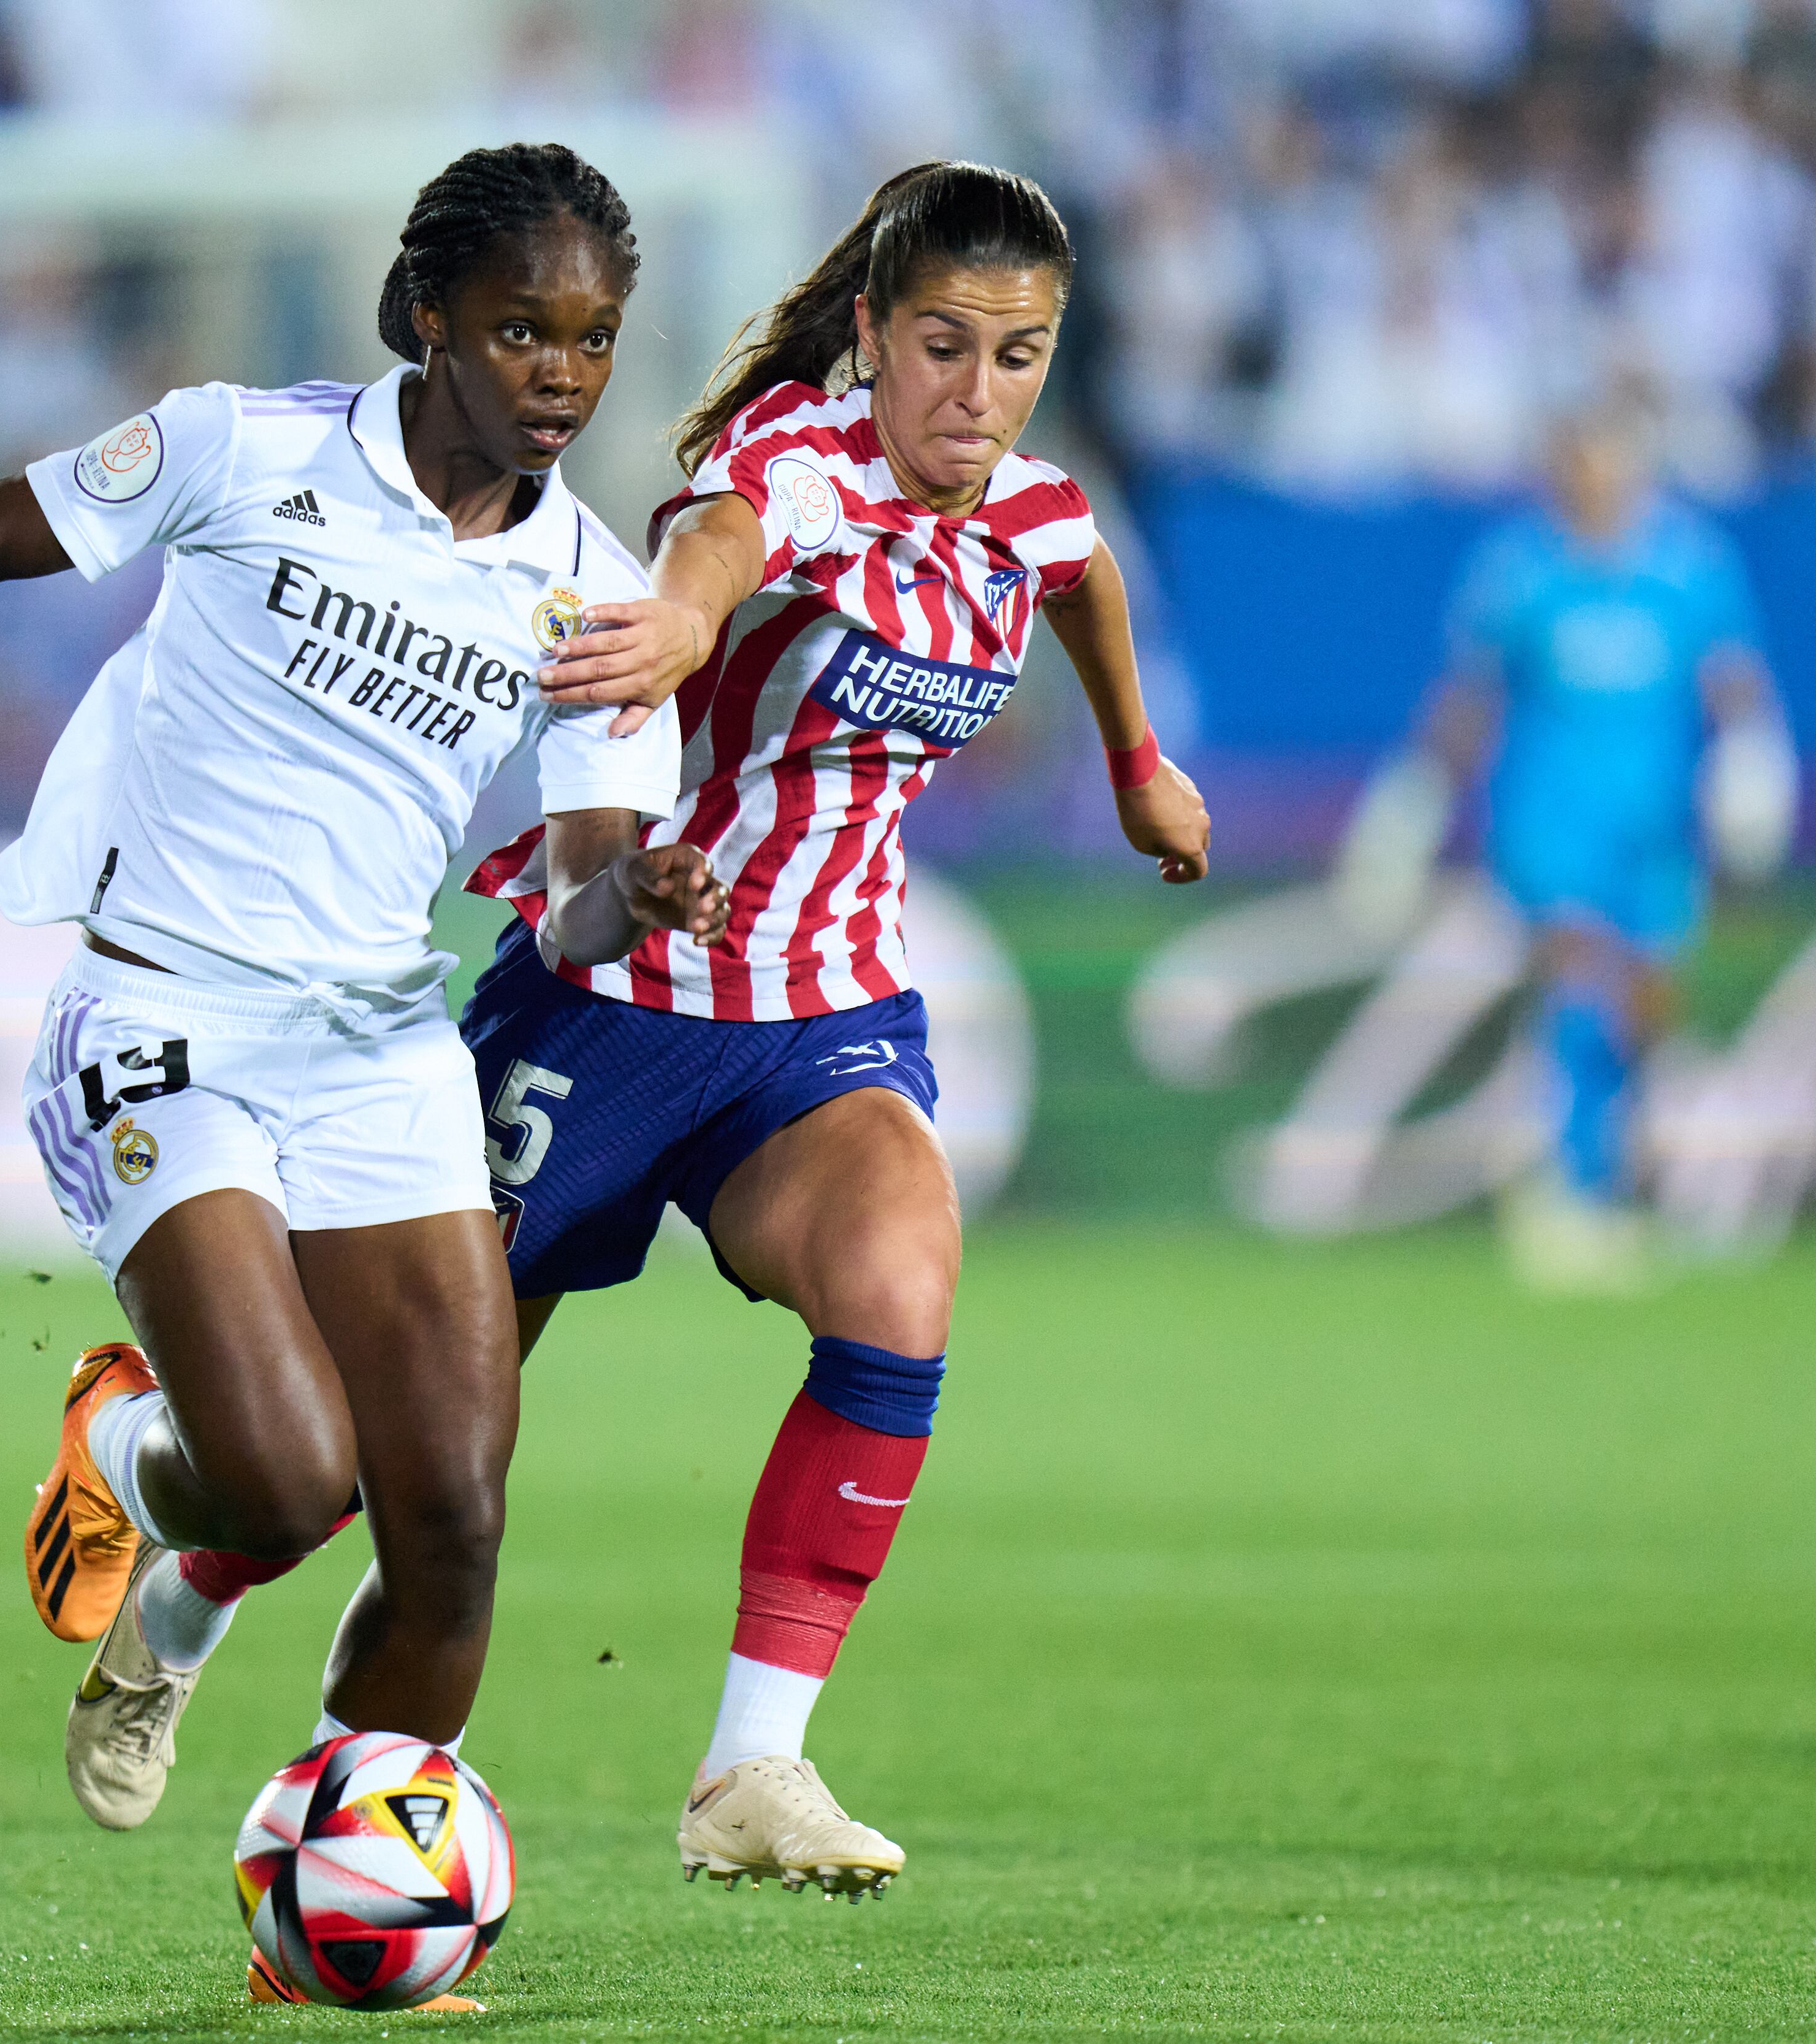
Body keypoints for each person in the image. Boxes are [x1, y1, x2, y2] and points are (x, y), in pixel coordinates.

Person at [67, 161, 1213, 1897]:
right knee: (404, 1468)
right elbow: (714, 547)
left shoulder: (1036, 511)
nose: (976, 395)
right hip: (608, 1001)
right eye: (941, 347)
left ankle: (752, 1760)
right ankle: (176, 1582)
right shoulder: (793, 471)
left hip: (822, 1020)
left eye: (1019, 355)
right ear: (867, 335)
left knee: (903, 1284)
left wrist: (1136, 762)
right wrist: (681, 619)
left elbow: (1085, 583)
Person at [0, 144, 715, 2005]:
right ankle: (128, 1451)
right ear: (424, 317)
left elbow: (575, 899)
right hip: (162, 1008)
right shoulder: (242, 448)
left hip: (377, 1041)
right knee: (280, 1467)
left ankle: (318, 1917)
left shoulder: (602, 597)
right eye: (521, 327)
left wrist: (629, 897)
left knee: (453, 1517)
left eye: (591, 337)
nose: (562, 372)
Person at [1340, 402, 1790, 1290]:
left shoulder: (1689, 567)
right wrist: (1417, 795)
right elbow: (1471, 699)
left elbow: (1733, 678)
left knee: (1644, 1007)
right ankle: (1565, 1194)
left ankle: (1618, 1183)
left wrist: (1753, 760)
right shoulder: (1522, 572)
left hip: (1657, 830)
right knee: (1584, 983)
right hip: (1550, 826)